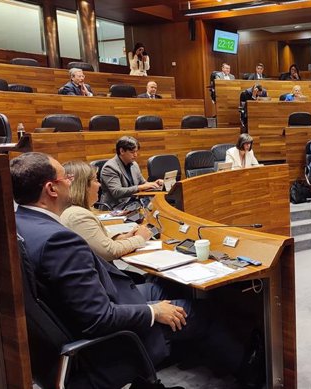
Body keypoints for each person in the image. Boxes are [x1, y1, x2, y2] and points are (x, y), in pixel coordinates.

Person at [10, 152, 209, 389]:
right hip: (106, 343)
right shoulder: (57, 240)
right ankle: (250, 370)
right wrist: (153, 312)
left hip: (89, 313)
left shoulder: (19, 223)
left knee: (163, 286)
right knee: (201, 312)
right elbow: (99, 319)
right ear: (51, 189)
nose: (71, 182)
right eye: (66, 178)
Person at [60, 160, 152, 261]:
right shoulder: (77, 215)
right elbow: (109, 251)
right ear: (83, 186)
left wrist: (126, 236)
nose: (99, 185)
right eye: (95, 180)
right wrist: (140, 238)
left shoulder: (72, 210)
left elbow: (100, 240)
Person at [100, 136, 163, 209]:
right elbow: (116, 192)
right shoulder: (110, 167)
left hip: (133, 204)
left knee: (157, 208)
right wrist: (139, 187)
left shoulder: (134, 164)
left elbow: (143, 183)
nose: (135, 155)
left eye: (136, 152)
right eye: (132, 152)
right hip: (115, 207)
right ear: (122, 151)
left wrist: (154, 184)